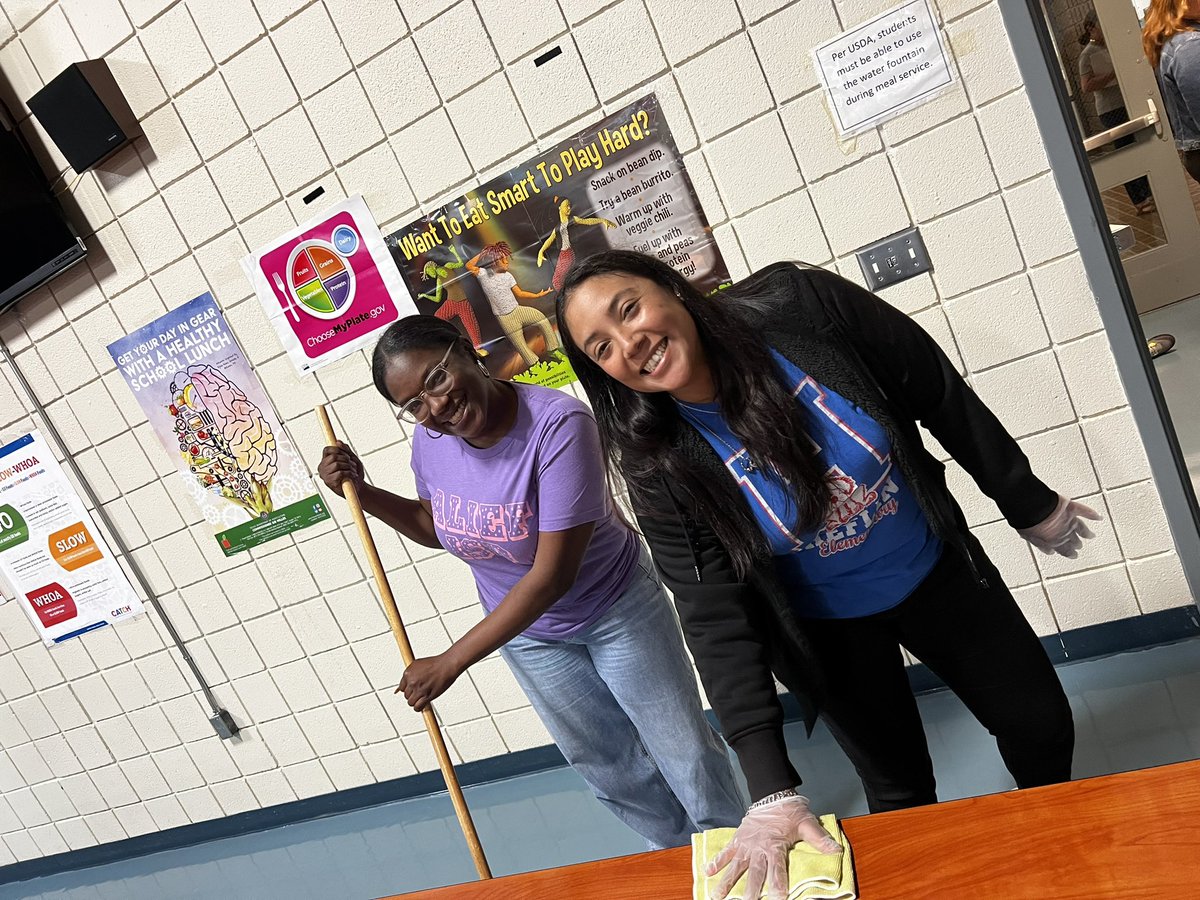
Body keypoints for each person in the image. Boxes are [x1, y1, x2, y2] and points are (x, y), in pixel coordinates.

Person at [556, 251, 1097, 900]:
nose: (629, 342)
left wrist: (1026, 499)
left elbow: (934, 387)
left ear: (671, 288)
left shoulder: (802, 308)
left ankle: (1053, 846)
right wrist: (770, 788)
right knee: (899, 790)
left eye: (629, 309)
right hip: (829, 627)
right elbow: (713, 617)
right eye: (601, 347)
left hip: (934, 572)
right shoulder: (658, 462)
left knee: (1040, 722)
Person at [316, 315, 744, 849]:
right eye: (415, 404)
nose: (436, 406)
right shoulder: (431, 441)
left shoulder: (558, 424)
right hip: (530, 636)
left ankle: (735, 854)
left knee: (683, 749)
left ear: (467, 349)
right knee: (608, 765)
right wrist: (363, 491)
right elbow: (436, 527)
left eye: (437, 379)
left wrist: (450, 662)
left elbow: (551, 575)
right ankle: (673, 858)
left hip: (615, 608)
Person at [1079, 11, 1156, 213]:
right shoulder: (1087, 54)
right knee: (1125, 151)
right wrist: (1112, 75)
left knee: (1139, 147)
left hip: (1127, 101)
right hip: (1109, 109)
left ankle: (1149, 192)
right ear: (1091, 29)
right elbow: (1086, 86)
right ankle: (1139, 200)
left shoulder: (1114, 44)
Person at [465, 242, 560, 370]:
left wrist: (537, 295)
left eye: (507, 259)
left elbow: (519, 293)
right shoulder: (483, 275)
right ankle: (535, 366)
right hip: (505, 318)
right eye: (503, 259)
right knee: (520, 345)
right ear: (494, 261)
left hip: (518, 310)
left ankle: (553, 350)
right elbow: (469, 265)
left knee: (542, 319)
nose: (507, 262)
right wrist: (483, 253)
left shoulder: (508, 276)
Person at [417, 246, 488, 356]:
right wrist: (424, 295)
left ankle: (478, 349)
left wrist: (454, 251)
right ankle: (450, 343)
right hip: (450, 303)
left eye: (428, 272)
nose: (429, 275)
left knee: (471, 325)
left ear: (431, 267)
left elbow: (459, 263)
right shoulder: (439, 280)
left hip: (462, 302)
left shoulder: (448, 266)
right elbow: (437, 298)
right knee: (437, 317)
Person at [536, 195, 616, 291]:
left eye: (569, 205)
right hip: (563, 254)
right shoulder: (558, 227)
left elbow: (587, 221)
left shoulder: (573, 220)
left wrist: (603, 220)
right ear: (560, 208)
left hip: (569, 253)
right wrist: (541, 251)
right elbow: (549, 239)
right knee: (558, 281)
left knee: (558, 281)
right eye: (566, 206)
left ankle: (574, 294)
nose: (569, 208)